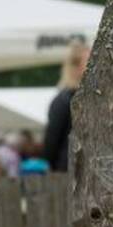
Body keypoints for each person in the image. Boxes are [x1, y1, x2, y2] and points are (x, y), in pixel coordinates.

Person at [43, 40, 89, 172]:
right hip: (69, 171)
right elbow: (51, 144)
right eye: (89, 61)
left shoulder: (95, 98)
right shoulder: (63, 100)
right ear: (75, 66)